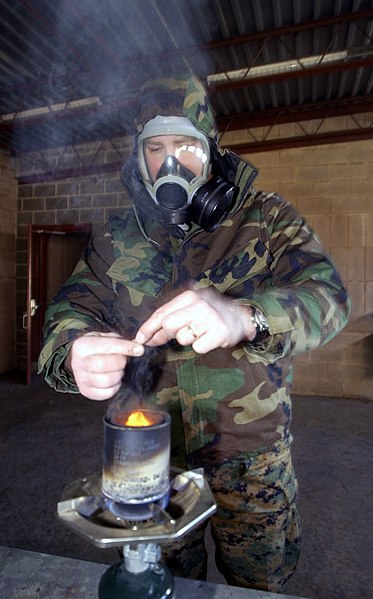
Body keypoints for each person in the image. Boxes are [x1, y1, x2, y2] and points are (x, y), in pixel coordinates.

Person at [38, 74, 351, 592]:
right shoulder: (116, 237)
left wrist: (246, 315)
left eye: (185, 145)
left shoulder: (267, 217)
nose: (169, 163)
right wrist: (73, 347)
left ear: (211, 151)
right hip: (151, 463)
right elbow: (70, 310)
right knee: (164, 583)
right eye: (154, 148)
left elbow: (330, 297)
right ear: (137, 160)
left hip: (252, 459)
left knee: (255, 586)